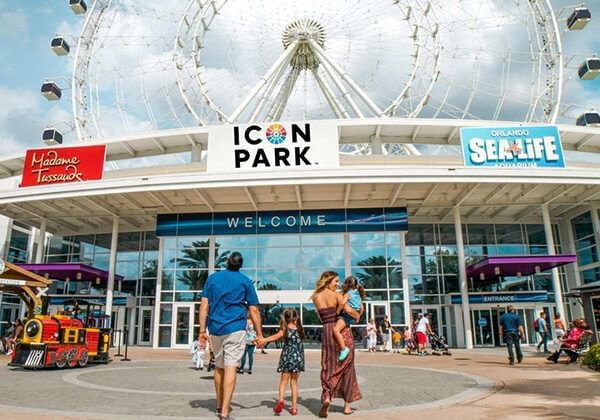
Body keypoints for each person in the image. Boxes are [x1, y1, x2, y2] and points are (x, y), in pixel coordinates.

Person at [199, 252, 264, 420]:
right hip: (235, 328)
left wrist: (201, 331)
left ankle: (220, 405)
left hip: (215, 329)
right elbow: (254, 310)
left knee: (219, 367)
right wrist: (260, 333)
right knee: (231, 367)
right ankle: (225, 411)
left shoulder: (212, 279)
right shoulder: (245, 281)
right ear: (240, 265)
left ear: (227, 262)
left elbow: (204, 307)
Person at [312, 271, 362, 417]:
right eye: (335, 281)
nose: (338, 284)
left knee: (328, 366)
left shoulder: (316, 297)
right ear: (328, 281)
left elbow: (321, 318)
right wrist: (357, 315)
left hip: (327, 332)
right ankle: (347, 407)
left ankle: (327, 397)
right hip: (342, 330)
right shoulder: (337, 295)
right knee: (348, 368)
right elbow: (348, 310)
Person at [257, 308, 305, 416]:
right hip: (298, 359)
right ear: (296, 318)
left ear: (285, 318)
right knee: (294, 383)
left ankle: (281, 400)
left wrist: (263, 340)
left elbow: (273, 338)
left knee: (283, 382)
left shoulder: (285, 330)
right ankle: (294, 408)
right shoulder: (300, 329)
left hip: (287, 358)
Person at [333, 276, 365, 361]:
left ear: (347, 284)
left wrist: (338, 311)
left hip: (347, 315)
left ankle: (344, 349)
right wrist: (358, 317)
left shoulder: (348, 294)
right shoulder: (357, 294)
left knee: (336, 330)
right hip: (354, 316)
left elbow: (343, 302)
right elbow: (362, 308)